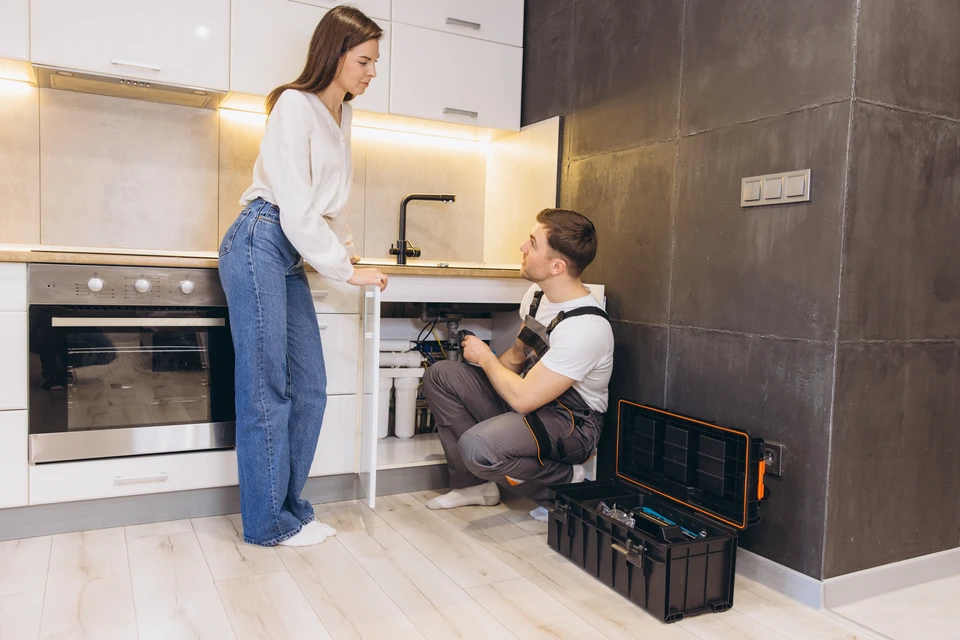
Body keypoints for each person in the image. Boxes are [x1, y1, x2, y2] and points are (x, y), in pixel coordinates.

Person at [218, 5, 388, 548]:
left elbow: (322, 208)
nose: (371, 72)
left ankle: (291, 508)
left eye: (374, 62)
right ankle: (268, 524)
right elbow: (292, 204)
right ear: (334, 53)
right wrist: (346, 269)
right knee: (267, 389)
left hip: (288, 250)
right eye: (364, 60)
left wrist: (340, 249)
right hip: (260, 239)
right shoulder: (294, 105)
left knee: (310, 388)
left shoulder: (343, 117)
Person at [422, 208, 614, 521]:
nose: (523, 248)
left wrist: (484, 358)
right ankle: (476, 486)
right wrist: (483, 385)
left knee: (477, 447)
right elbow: (513, 359)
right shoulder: (538, 296)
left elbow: (524, 399)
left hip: (572, 424)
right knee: (443, 376)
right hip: (536, 402)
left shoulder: (585, 327)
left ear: (557, 266)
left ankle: (566, 485)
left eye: (532, 243)